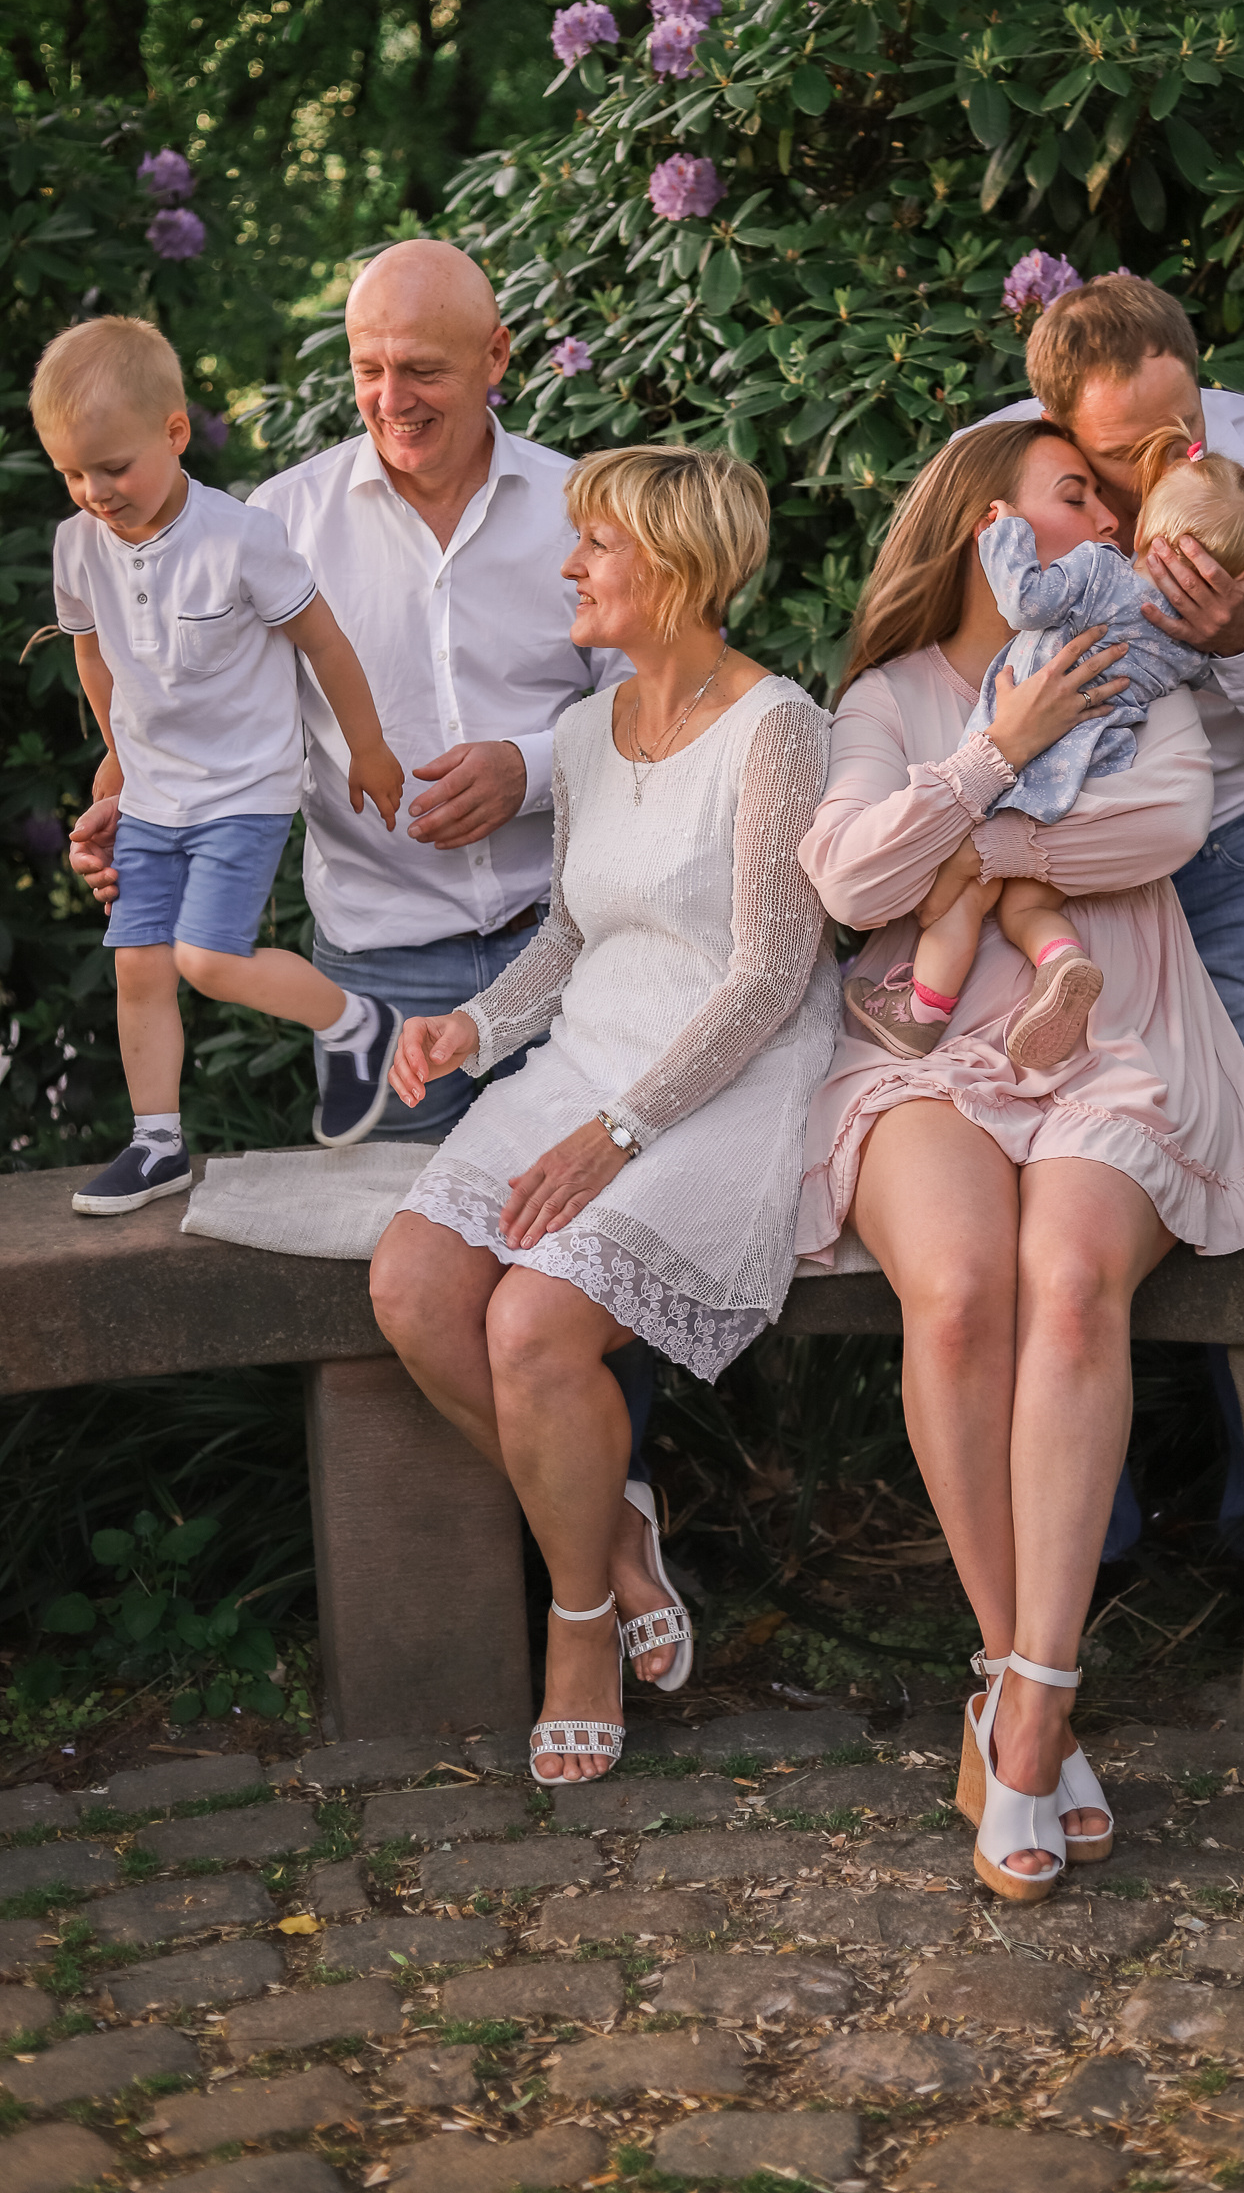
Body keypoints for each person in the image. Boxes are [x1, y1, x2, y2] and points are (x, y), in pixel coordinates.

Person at [65, 243, 680, 1676]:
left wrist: (525, 770)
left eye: (423, 368)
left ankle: (590, 1578)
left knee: (586, 1268)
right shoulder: (275, 526)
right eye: (368, 369)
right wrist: (124, 815)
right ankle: (583, 1566)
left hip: (572, 948)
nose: (391, 396)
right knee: (423, 1290)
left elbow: (661, 708)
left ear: (498, 360)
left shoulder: (587, 508)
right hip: (388, 966)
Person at [794, 414, 1244, 1902]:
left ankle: (1025, 1708)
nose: (1113, 522)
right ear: (986, 526)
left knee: (1069, 1283)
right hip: (925, 1046)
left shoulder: (1141, 659)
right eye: (1078, 494)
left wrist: (972, 851)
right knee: (956, 1291)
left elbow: (1161, 825)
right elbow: (846, 878)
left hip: (1115, 1019)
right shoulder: (889, 697)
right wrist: (994, 760)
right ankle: (1029, 1683)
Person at [369, 445, 838, 1783]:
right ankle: (620, 1539)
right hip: (585, 1062)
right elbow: (571, 932)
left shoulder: (779, 726)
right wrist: (476, 1031)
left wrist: (620, 1132)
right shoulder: (582, 733)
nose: (569, 567)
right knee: (412, 1289)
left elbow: (767, 974)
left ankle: (579, 1616)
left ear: (677, 564)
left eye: (596, 545)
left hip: (726, 1084)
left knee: (530, 1326)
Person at [981, 275, 1244, 1556]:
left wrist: (1243, 635)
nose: (1162, 470)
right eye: (1119, 455)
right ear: (1053, 426)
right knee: (1061, 1189)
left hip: (1234, 860)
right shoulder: (1013, 481)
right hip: (1068, 883)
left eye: (1177, 430)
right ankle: (1091, 1532)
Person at [38, 317, 406, 1216]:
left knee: (205, 959)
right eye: (73, 474)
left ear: (172, 434)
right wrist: (117, 762)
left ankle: (360, 1023)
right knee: (138, 967)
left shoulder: (240, 537)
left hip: (244, 788)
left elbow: (322, 640)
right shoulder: (78, 545)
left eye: (113, 468)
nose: (95, 492)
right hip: (156, 789)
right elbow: (94, 657)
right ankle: (155, 1143)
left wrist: (367, 746)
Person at [847, 423, 1244, 1073]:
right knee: (1027, 900)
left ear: (1152, 529)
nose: (1110, 520)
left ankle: (922, 1011)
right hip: (1090, 775)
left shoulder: (1096, 570)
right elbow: (1196, 679)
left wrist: (1003, 535)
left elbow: (1025, 602)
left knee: (962, 896)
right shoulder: (1181, 634)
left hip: (1021, 761)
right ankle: (1060, 964)